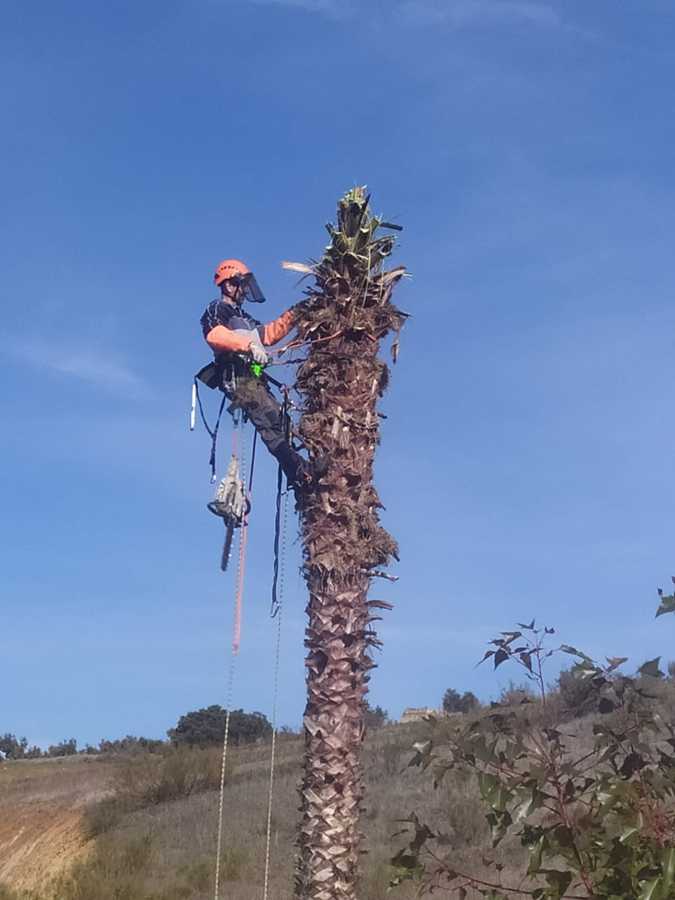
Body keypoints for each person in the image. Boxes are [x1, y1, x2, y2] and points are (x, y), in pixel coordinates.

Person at [200, 258, 309, 486]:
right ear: (229, 285)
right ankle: (299, 473)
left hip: (254, 377)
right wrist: (248, 347)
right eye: (242, 285)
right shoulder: (218, 309)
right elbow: (215, 335)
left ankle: (305, 469)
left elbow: (268, 334)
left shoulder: (244, 320)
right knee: (268, 419)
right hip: (238, 378)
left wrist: (295, 314)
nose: (245, 291)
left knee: (282, 422)